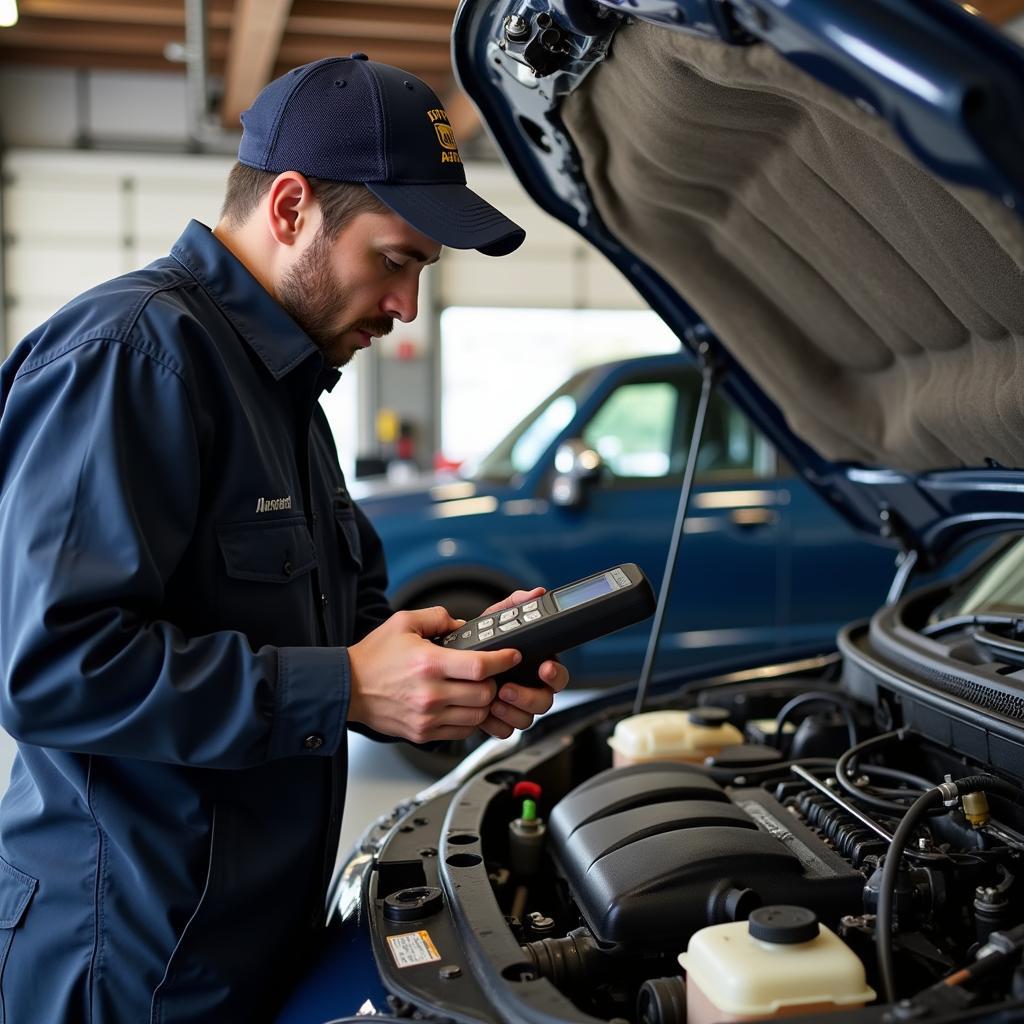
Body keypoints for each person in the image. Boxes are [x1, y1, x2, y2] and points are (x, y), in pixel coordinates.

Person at [0, 54, 568, 1022]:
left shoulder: (287, 391)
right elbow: (52, 665)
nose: (404, 309)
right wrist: (343, 686)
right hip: (128, 966)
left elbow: (334, 630)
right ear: (293, 207)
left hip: (245, 943)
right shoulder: (132, 358)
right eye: (395, 260)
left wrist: (442, 673)